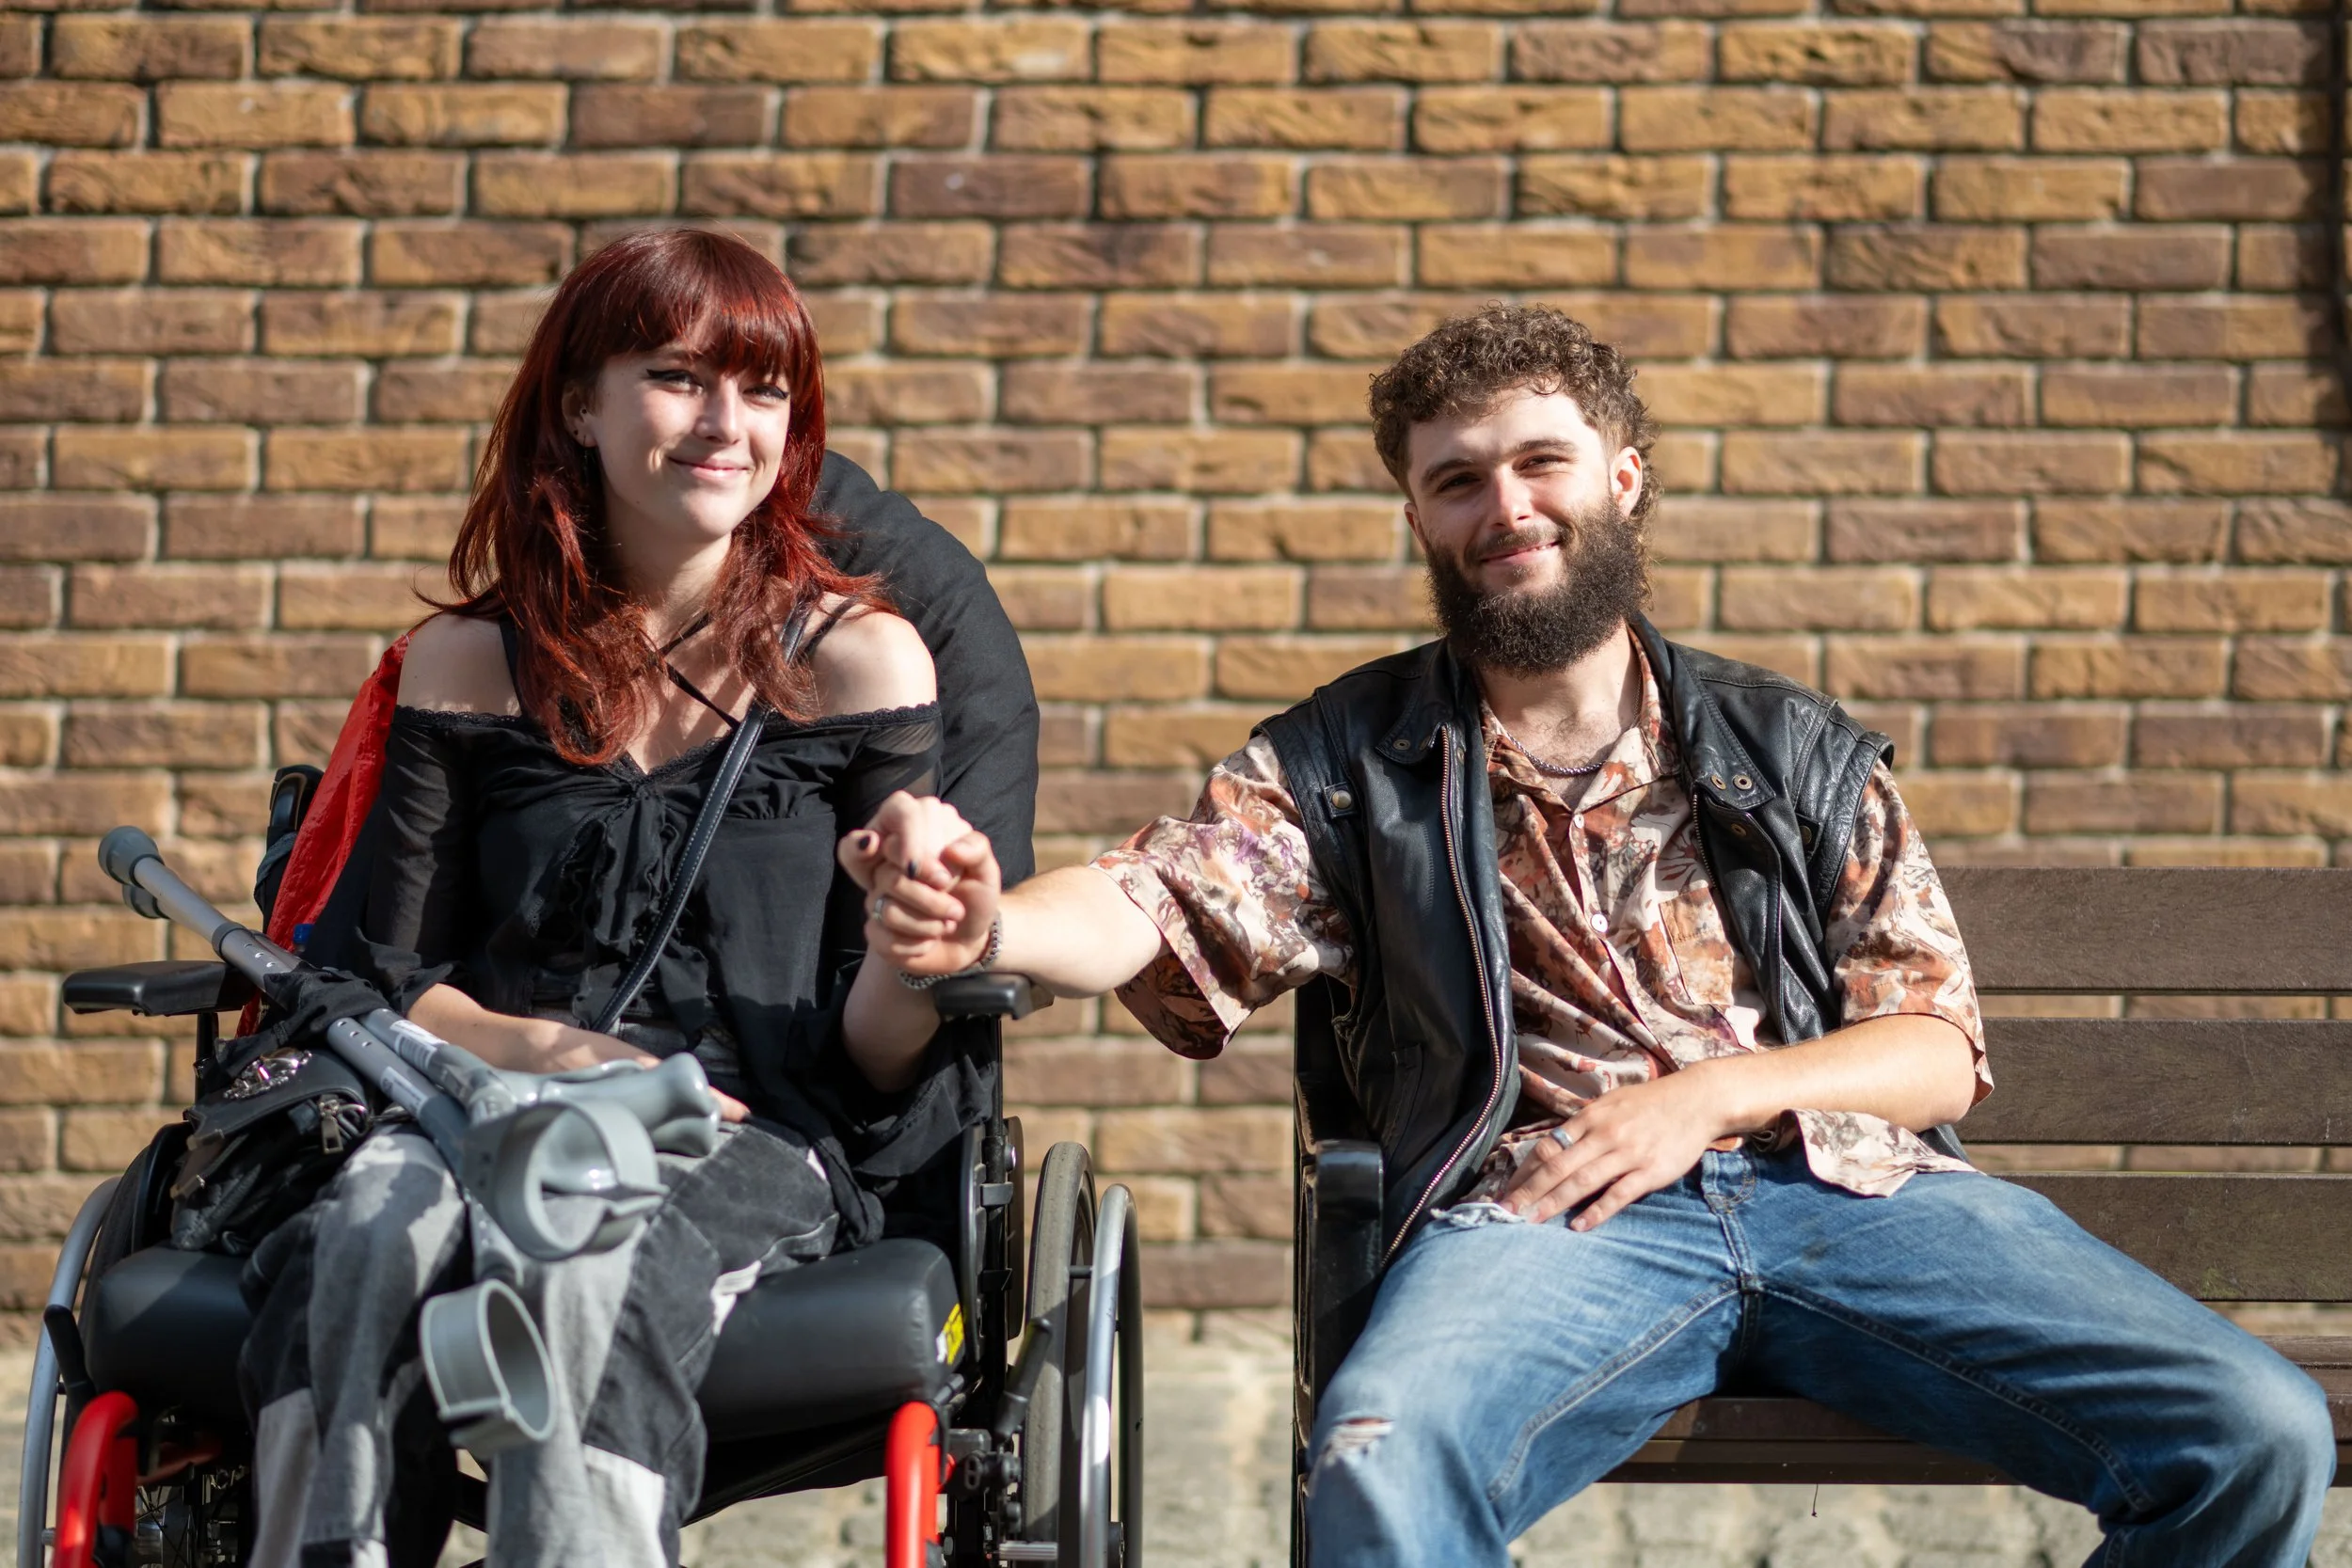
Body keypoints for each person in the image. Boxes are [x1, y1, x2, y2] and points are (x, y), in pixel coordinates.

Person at [842, 304, 2338, 1566]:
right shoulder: (1347, 762)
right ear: (1419, 519)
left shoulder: (1790, 744)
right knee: (1379, 1461)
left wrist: (1713, 1096)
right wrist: (992, 915)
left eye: (1540, 461)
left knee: (2255, 1431)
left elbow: (1936, 1046)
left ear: (1624, 476)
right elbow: (1155, 893)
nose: (1506, 507)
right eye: (1458, 481)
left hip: (1854, 1196)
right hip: (1550, 1220)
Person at [241, 228, 1019, 1568]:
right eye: (676, 378)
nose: (727, 424)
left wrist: (914, 946)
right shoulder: (466, 662)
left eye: (763, 391)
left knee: (582, 1267)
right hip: (473, 1106)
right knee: (359, 1240)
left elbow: (875, 1058)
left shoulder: (862, 663)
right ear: (578, 408)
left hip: (741, 1135)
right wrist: (553, 1053)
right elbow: (388, 984)